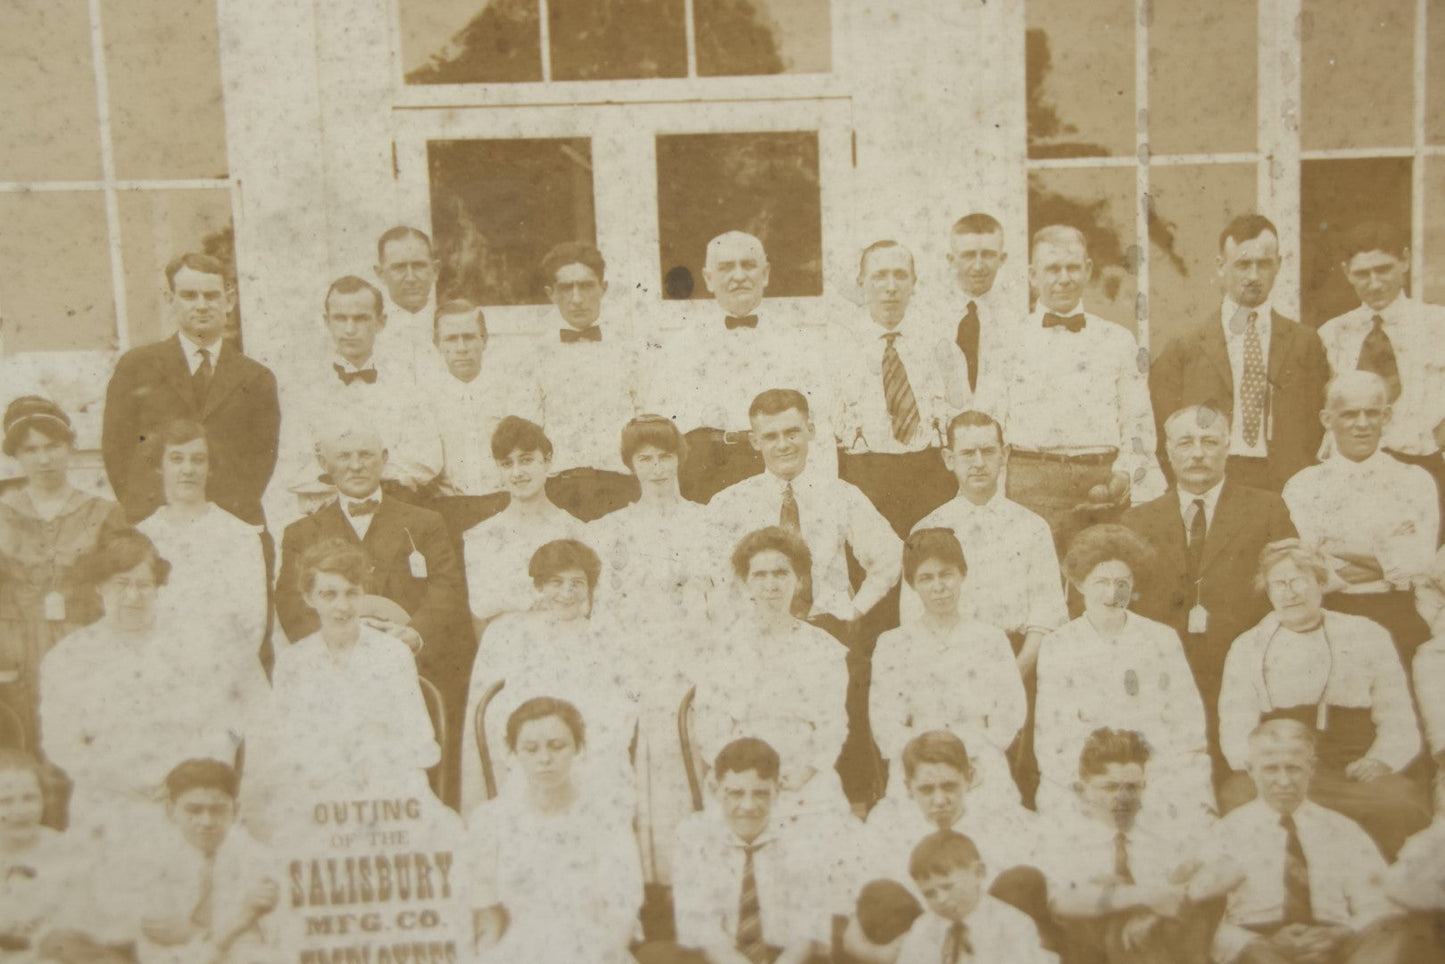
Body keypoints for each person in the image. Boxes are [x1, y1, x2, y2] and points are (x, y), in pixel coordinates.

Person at [273, 422, 467, 797]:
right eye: (344, 456)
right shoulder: (301, 532)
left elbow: (447, 588)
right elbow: (291, 603)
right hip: (334, 674)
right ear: (324, 464)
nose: (356, 465)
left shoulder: (425, 523)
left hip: (413, 667)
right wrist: (335, 647)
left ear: (385, 460)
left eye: (365, 455)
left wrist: (414, 634)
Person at [1217, 539, 1428, 859]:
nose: (1290, 592)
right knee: (1239, 800)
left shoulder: (1367, 634)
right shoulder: (1248, 646)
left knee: (1400, 804)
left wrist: (1381, 759)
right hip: (1281, 763)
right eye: (1279, 584)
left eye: (1300, 580)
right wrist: (1259, 766)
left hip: (1350, 764)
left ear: (1321, 582)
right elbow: (1235, 723)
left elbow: (1397, 715)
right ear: (1268, 591)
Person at [39, 529, 253, 840]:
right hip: (107, 803)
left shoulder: (195, 648)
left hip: (186, 804)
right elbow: (60, 743)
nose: (132, 596)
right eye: (121, 584)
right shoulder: (69, 657)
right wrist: (124, 782)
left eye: (144, 584)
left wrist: (188, 783)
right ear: (99, 586)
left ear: (158, 587)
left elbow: (223, 725)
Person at [1122, 405, 1296, 770]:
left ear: (1228, 447)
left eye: (1210, 441)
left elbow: (1287, 590)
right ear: (1167, 450)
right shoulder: (1137, 521)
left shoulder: (1267, 509)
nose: (1198, 452)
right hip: (1166, 675)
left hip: (1242, 671)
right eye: (1186, 442)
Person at [984, 225, 1165, 549]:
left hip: (1101, 486)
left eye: (1072, 268)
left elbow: (1138, 423)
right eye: (1053, 269)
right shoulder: (1005, 341)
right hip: (1029, 486)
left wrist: (1123, 475)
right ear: (1032, 275)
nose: (1063, 278)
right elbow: (988, 424)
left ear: (1088, 270)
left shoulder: (1117, 339)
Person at [251, 538, 441, 832]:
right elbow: (286, 746)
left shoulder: (393, 654)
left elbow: (416, 738)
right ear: (308, 597)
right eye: (328, 594)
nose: (342, 606)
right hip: (320, 788)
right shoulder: (294, 663)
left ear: (363, 592)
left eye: (351, 593)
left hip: (386, 788)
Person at [1033, 524, 1213, 820]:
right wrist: (1098, 785)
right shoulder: (1058, 645)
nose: (1112, 594)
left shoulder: (1161, 639)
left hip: (1155, 775)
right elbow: (1052, 738)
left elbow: (1187, 723)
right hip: (1086, 779)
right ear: (1080, 584)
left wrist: (1154, 778)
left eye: (1122, 582)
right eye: (1101, 582)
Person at [644, 231, 837, 503]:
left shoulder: (798, 343)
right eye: (725, 268)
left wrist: (820, 495)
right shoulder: (680, 348)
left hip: (776, 468)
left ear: (766, 274)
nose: (738, 276)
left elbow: (820, 426)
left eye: (748, 265)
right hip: (704, 474)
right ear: (709, 279)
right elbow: (660, 432)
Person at [459, 540, 639, 820]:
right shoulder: (516, 635)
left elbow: (621, 707)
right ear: (540, 587)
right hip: (534, 753)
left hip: (591, 751)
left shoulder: (604, 637)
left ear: (589, 588)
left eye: (577, 582)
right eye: (556, 582)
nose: (567, 592)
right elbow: (498, 710)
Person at [1149, 214, 1329, 493]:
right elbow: (1163, 434)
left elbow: (1316, 426)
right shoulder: (1185, 347)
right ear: (1221, 266)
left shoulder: (1305, 343)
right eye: (1243, 264)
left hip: (1286, 486)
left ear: (1278, 265)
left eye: (1264, 264)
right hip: (1212, 486)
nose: (1254, 276)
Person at [1206, 720, 1408, 964]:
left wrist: (1342, 934)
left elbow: (1381, 903)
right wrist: (1251, 945)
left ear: (1312, 768)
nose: (1283, 781)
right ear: (1250, 770)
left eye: (1294, 769)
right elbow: (1202, 914)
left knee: (1392, 931)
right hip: (1258, 947)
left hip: (1332, 945)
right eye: (1271, 769)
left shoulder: (1342, 830)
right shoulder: (1227, 832)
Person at [101, 252, 280, 525]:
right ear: (170, 300)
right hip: (154, 523)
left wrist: (222, 519)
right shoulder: (137, 367)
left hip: (230, 523)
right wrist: (149, 514)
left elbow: (260, 461)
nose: (201, 305)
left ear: (228, 301)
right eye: (189, 295)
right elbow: (117, 451)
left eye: (211, 296)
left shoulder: (256, 378)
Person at [708, 389, 900, 641]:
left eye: (792, 433)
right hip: (758, 631)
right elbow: (719, 577)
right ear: (755, 441)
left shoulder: (841, 495)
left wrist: (854, 610)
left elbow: (890, 557)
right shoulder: (729, 503)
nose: (783, 445)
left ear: (810, 430)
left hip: (828, 628)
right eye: (770, 436)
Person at [462, 697, 642, 964]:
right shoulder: (491, 820)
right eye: (531, 749)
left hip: (595, 953)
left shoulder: (606, 818)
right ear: (514, 752)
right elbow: (488, 917)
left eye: (557, 746)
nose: (545, 759)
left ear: (578, 748)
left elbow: (622, 915)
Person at [692, 528, 850, 824]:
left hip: (803, 771)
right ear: (745, 583)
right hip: (739, 772)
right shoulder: (723, 648)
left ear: (799, 580)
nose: (771, 585)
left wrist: (806, 770)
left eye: (781, 573)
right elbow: (709, 726)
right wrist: (743, 778)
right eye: (760, 575)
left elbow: (833, 724)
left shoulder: (822, 648)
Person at [844, 732, 1044, 964]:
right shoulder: (889, 827)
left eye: (949, 786)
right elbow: (858, 916)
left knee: (1020, 881)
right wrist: (882, 955)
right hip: (919, 945)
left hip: (995, 946)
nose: (939, 800)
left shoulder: (1002, 824)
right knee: (882, 892)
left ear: (969, 777)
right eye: (926, 789)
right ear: (909, 787)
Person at [1282, 370, 1437, 665]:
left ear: (1387, 415)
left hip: (1397, 615)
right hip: (1329, 615)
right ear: (1327, 420)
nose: (1362, 425)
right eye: (1350, 415)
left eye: (1372, 413)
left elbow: (1418, 563)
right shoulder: (1303, 485)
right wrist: (1389, 552)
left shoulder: (1415, 481)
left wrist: (1335, 548)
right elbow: (1310, 570)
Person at [0, 396, 126, 752]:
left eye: (53, 446)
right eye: (31, 449)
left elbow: (121, 588)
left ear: (70, 447)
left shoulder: (103, 513)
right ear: (16, 455)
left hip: (82, 646)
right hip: (14, 653)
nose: (43, 459)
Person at [1036, 728, 1223, 964]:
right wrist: (1146, 897)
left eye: (1133, 787)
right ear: (1083, 791)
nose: (1124, 798)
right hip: (1090, 956)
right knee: (1105, 884)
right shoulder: (1065, 837)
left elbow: (1193, 886)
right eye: (1110, 787)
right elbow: (1061, 902)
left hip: (1160, 950)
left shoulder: (1162, 836)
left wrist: (1152, 915)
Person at [871, 530, 1027, 810]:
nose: (938, 586)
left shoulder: (990, 639)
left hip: (979, 761)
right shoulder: (892, 644)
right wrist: (922, 766)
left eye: (946, 574)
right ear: (912, 584)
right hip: (916, 766)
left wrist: (973, 761)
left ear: (962, 574)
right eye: (926, 578)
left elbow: (1010, 711)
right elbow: (884, 721)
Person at [834, 240, 970, 535]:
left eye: (900, 275)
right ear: (861, 283)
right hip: (865, 475)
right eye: (879, 276)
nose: (891, 286)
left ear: (914, 283)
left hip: (929, 474)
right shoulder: (839, 346)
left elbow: (962, 415)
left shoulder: (940, 345)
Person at [1318, 220, 1445, 532]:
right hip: (1353, 474)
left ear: (1404, 260)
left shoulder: (1436, 325)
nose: (1374, 283)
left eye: (1383, 269)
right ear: (1347, 272)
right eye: (1362, 273)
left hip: (1422, 466)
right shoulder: (1333, 333)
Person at [659, 738, 831, 964]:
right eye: (736, 793)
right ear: (715, 789)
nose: (748, 806)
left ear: (777, 790)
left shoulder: (802, 835)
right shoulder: (693, 835)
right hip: (718, 957)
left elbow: (807, 930)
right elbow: (704, 930)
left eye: (760, 793)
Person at [276, 276, 442, 509]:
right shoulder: (303, 391)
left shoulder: (406, 385)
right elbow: (293, 467)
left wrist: (358, 477)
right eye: (340, 318)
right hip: (325, 513)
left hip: (393, 508)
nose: (350, 329)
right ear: (327, 321)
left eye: (361, 318)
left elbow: (427, 459)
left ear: (381, 322)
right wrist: (365, 476)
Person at [109, 759, 278, 964]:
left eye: (218, 810)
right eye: (194, 810)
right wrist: (233, 928)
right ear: (171, 811)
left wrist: (193, 935)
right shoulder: (151, 866)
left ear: (235, 810)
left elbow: (270, 951)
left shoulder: (259, 861)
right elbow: (160, 958)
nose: (206, 821)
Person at [136, 419, 268, 677]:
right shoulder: (142, 536)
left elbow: (252, 622)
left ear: (210, 468)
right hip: (158, 675)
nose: (188, 469)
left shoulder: (239, 535)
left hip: (225, 676)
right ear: (159, 466)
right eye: (176, 459)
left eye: (198, 460)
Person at [535, 241, 644, 522]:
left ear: (603, 288)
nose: (577, 298)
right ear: (551, 294)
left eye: (585, 286)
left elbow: (646, 423)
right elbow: (530, 434)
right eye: (565, 288)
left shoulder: (632, 352)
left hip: (621, 487)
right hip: (557, 490)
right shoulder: (534, 358)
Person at [0, 749, 130, 964]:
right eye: (5, 801)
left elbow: (87, 927)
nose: (20, 810)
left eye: (29, 798)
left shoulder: (68, 850)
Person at [461, 416, 588, 628]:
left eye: (526, 460)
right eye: (507, 464)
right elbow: (480, 616)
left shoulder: (576, 532)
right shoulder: (481, 537)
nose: (517, 472)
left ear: (547, 461)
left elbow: (584, 610)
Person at [589, 415, 713, 624]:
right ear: (631, 464)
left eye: (665, 457)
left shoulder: (707, 520)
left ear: (678, 458)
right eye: (645, 459)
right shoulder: (612, 528)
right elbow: (605, 607)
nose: (657, 468)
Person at [425, 299, 542, 503]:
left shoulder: (513, 391)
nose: (462, 348)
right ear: (437, 344)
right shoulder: (426, 398)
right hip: (449, 505)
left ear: (484, 340)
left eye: (469, 337)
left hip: (506, 501)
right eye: (451, 339)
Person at [894, 830, 1057, 964]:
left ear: (979, 873)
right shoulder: (924, 929)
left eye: (948, 887)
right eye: (929, 894)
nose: (941, 899)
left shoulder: (1012, 925)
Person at [946, 213, 1014, 397]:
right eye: (968, 255)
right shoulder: (929, 319)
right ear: (951, 260)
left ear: (1002, 259)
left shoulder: (1017, 321)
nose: (978, 266)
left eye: (988, 255)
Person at [371, 225, 441, 378]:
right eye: (399, 267)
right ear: (381, 274)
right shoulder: (368, 334)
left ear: (435, 270)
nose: (410, 278)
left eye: (419, 266)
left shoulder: (456, 329)